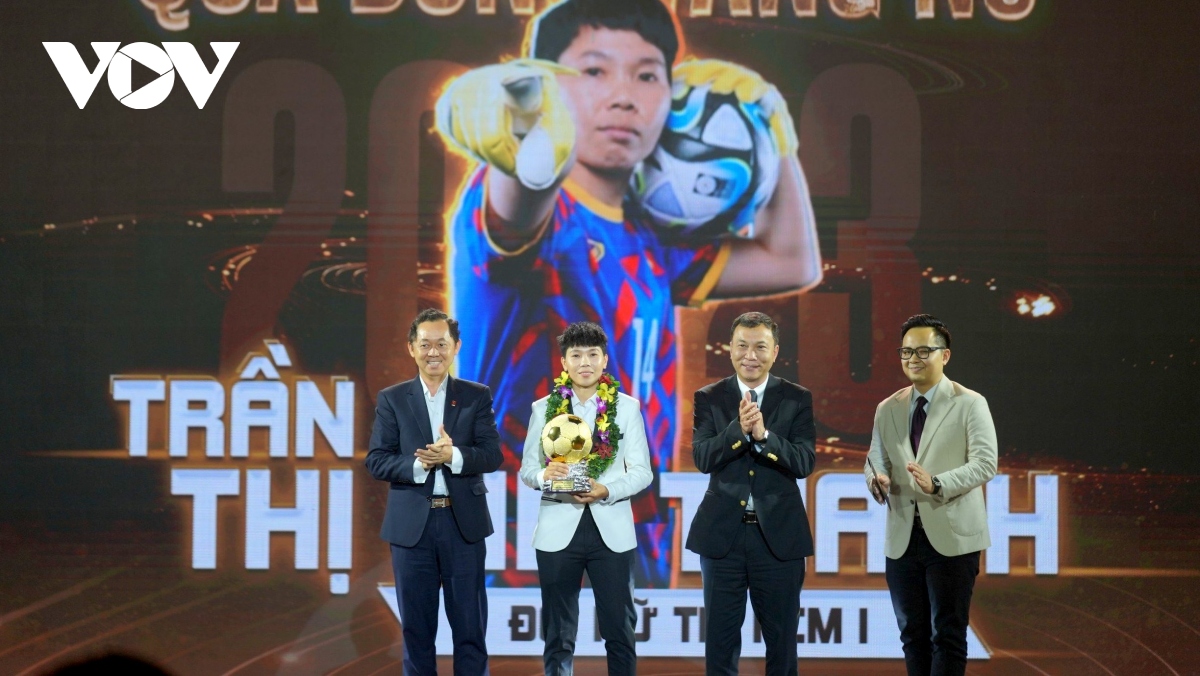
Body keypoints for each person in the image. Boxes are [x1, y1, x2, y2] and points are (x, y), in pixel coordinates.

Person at [435, 0, 822, 584]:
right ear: (549, 86)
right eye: (594, 70)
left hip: (636, 537)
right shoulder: (540, 214)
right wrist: (524, 143)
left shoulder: (652, 237)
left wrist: (774, 132)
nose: (624, 96)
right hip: (528, 548)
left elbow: (792, 259)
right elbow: (519, 201)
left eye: (646, 75)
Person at [366, 308, 504, 676]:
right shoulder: (393, 399)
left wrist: (453, 456)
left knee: (470, 630)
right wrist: (419, 465)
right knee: (416, 632)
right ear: (411, 348)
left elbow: (492, 455)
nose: (433, 352)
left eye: (441, 344)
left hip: (463, 527)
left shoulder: (475, 396)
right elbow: (377, 460)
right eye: (425, 344)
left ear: (456, 347)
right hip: (412, 529)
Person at [864, 314, 998, 676]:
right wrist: (876, 479)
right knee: (912, 635)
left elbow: (985, 463)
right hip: (902, 538)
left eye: (924, 351)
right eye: (907, 351)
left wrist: (938, 483)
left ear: (945, 355)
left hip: (952, 537)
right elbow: (875, 459)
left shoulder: (970, 403)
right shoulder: (887, 407)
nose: (914, 359)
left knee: (948, 635)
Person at [518, 321, 653, 676]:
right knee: (558, 633)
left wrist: (607, 490)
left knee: (619, 630)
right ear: (564, 362)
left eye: (593, 355)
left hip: (611, 530)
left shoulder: (627, 408)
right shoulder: (543, 409)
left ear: (605, 360)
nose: (585, 363)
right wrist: (544, 475)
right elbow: (527, 469)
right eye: (576, 355)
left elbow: (643, 472)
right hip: (558, 529)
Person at [687, 311, 816, 676]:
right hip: (722, 539)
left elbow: (804, 462)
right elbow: (703, 457)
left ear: (775, 352)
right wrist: (738, 431)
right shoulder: (709, 397)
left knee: (782, 642)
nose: (750, 355)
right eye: (742, 346)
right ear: (730, 348)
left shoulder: (797, 398)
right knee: (720, 643)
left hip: (778, 540)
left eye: (760, 347)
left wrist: (764, 437)